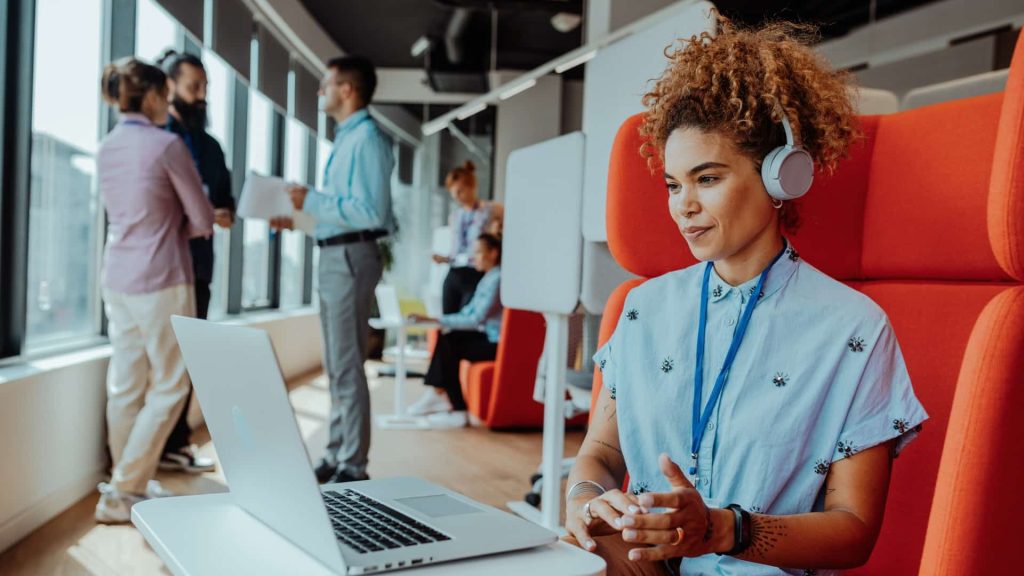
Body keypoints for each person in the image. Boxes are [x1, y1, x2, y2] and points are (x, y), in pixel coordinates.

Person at [563, 18, 928, 575]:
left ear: (781, 177)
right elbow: (603, 455)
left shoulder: (853, 329)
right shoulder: (642, 309)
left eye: (706, 179)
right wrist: (585, 500)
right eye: (672, 184)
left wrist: (723, 530)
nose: (682, 205)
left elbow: (853, 531)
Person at [95, 58, 214, 523]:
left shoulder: (107, 147)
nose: (169, 103)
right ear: (148, 97)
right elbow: (202, 220)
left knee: (125, 384)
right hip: (162, 276)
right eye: (165, 95)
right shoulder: (167, 146)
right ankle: (125, 489)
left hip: (118, 277)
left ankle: (125, 488)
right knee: (169, 384)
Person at [270, 56, 394, 484]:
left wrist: (314, 202)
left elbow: (371, 212)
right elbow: (343, 213)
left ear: (347, 90)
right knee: (337, 362)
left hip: (350, 258)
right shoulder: (347, 139)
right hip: (335, 253)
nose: (319, 92)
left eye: (326, 84)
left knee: (346, 362)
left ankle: (353, 465)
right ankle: (338, 451)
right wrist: (301, 217)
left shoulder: (368, 140)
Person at [155, 50, 236, 475]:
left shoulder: (210, 147)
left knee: (186, 358)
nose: (201, 96)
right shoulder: (155, 138)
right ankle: (146, 451)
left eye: (205, 87)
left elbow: (228, 205)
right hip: (159, 268)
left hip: (198, 267)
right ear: (169, 87)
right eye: (194, 87)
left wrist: (219, 214)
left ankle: (176, 444)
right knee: (154, 362)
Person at [407, 234, 503, 428]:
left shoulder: (497, 279)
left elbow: (476, 319)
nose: (474, 257)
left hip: (496, 344)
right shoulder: (488, 278)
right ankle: (442, 396)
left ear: (493, 253)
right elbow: (469, 312)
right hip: (485, 336)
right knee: (449, 336)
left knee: (451, 341)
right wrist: (438, 320)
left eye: (478, 252)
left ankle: (450, 403)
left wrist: (439, 320)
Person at [431, 161, 504, 313]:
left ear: (471, 186)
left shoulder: (491, 210)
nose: (457, 197)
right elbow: (457, 250)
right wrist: (443, 259)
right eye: (453, 194)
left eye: (460, 191)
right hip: (454, 272)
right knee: (449, 321)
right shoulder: (455, 216)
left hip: (476, 273)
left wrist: (497, 232)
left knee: (467, 320)